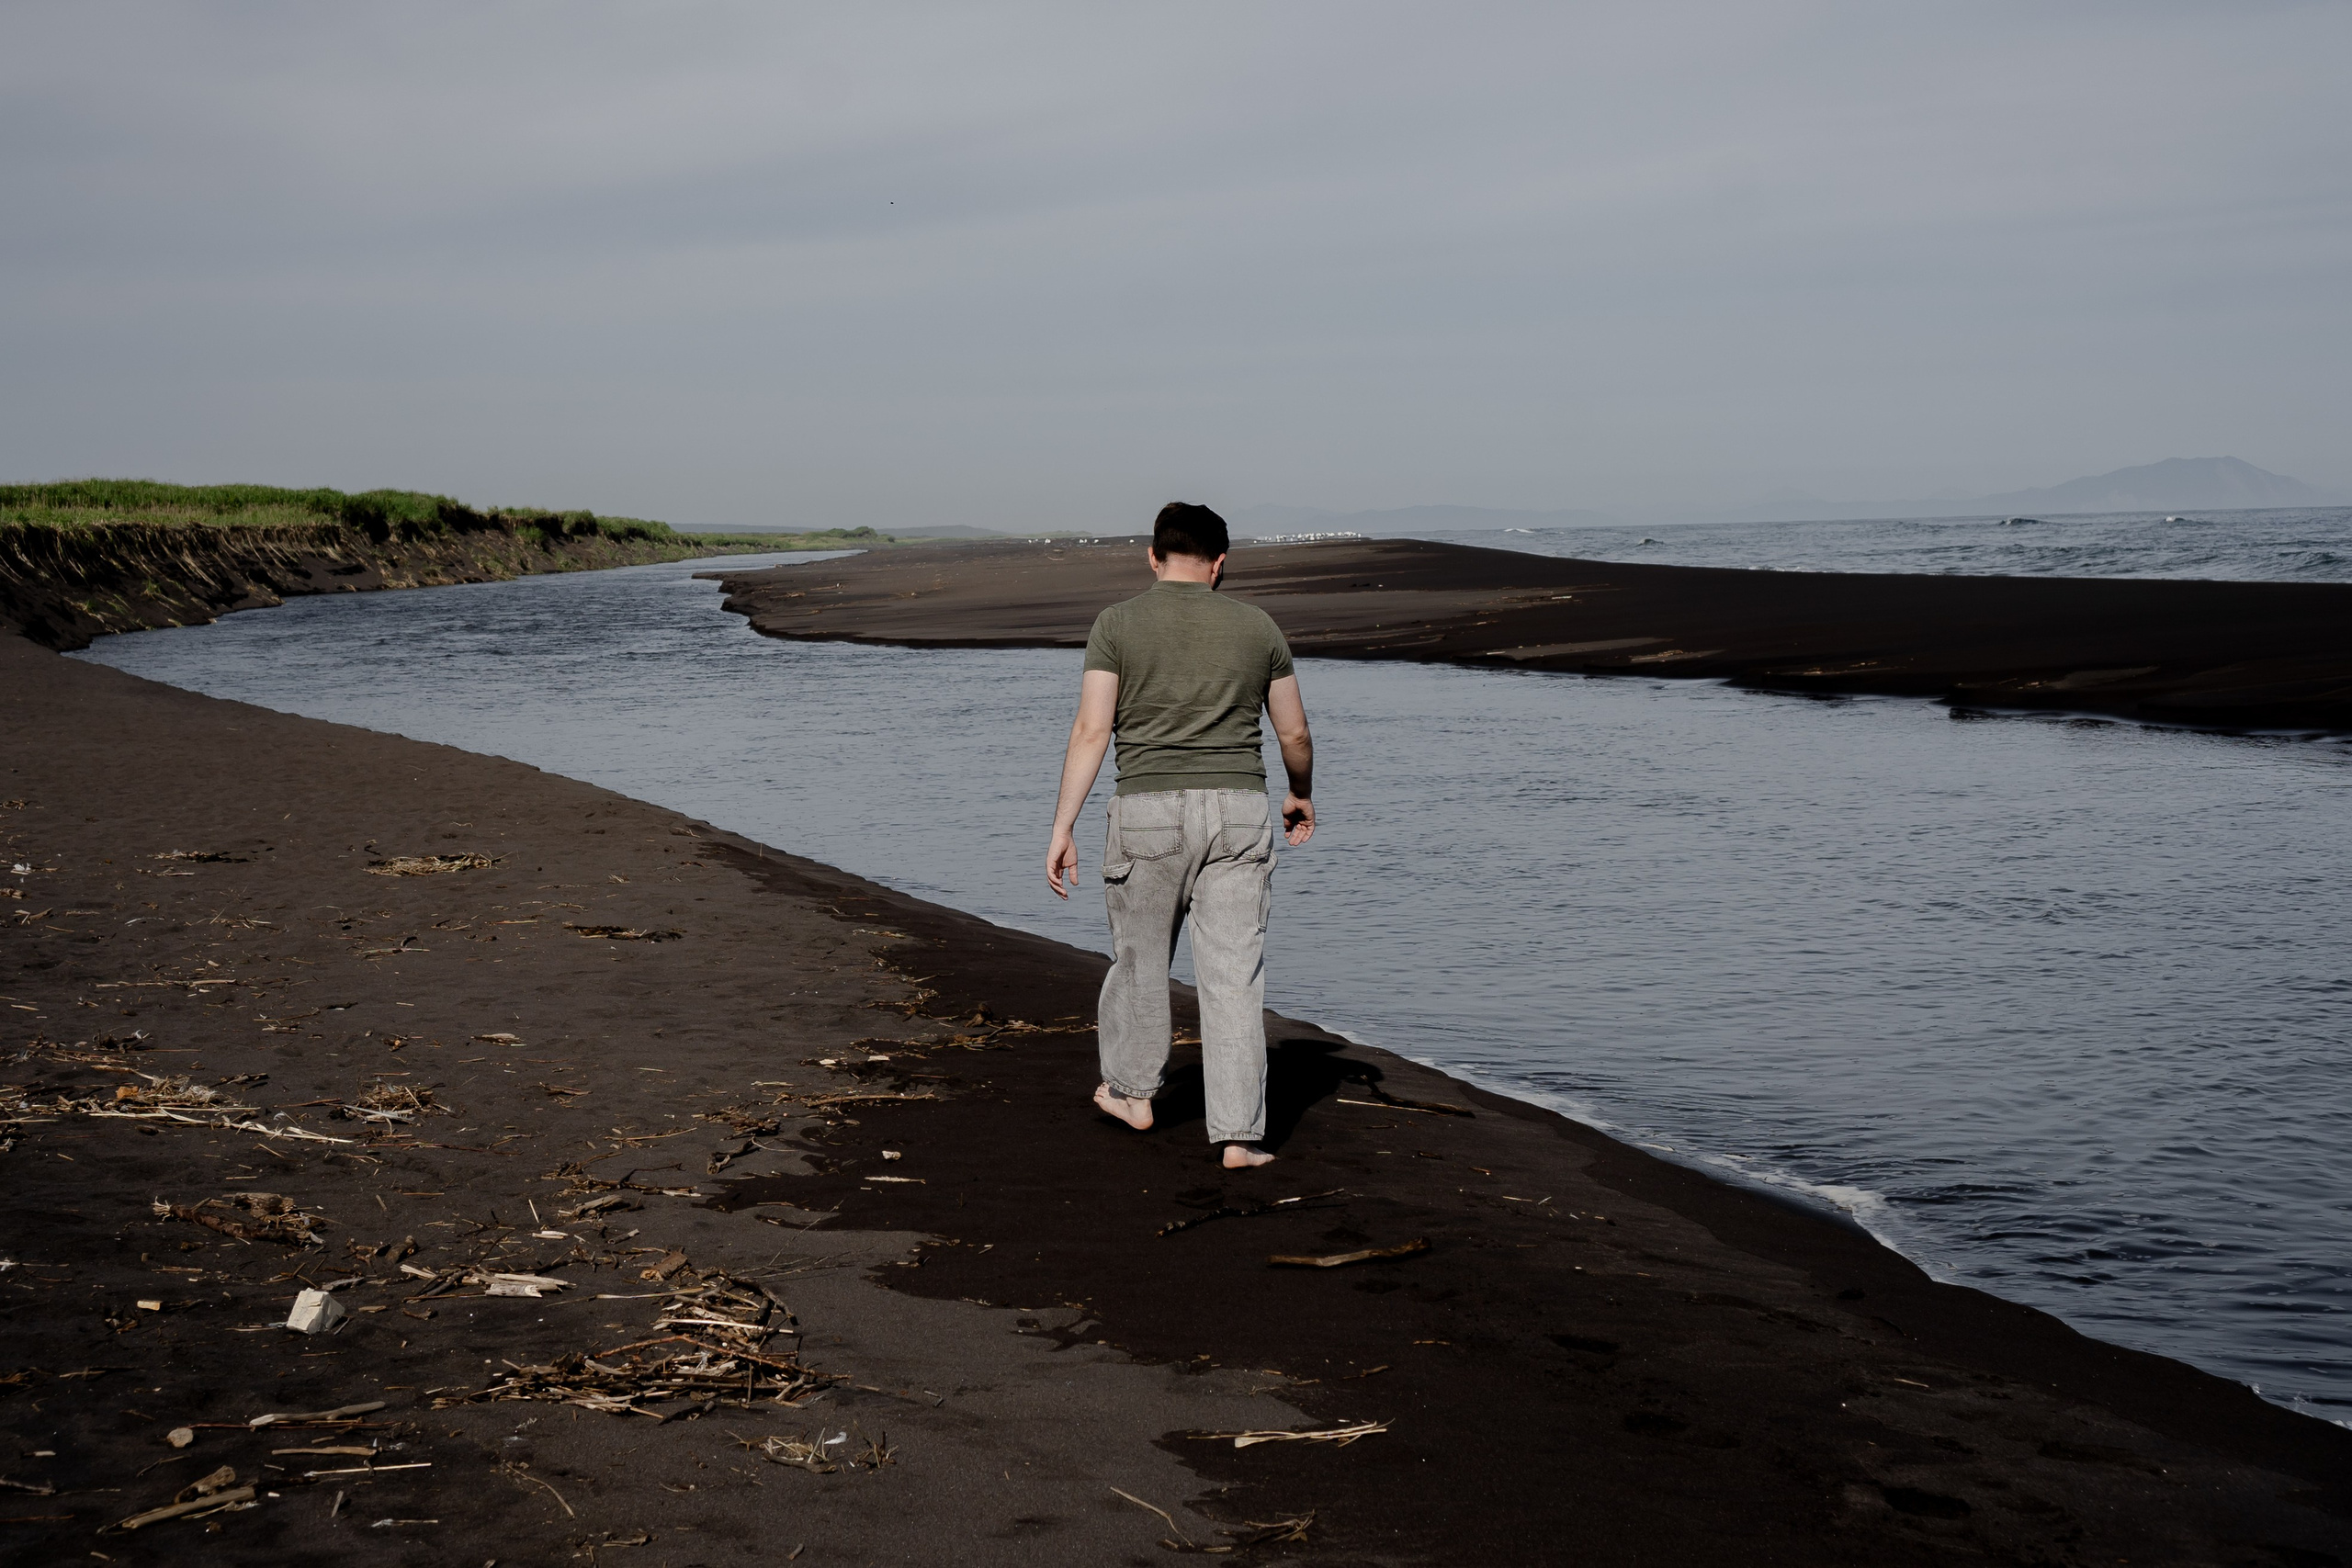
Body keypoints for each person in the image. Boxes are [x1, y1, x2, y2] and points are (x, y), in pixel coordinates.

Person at [1046, 502, 1316, 1170]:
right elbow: (1294, 732)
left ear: (1153, 557)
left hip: (1147, 812)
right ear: (1221, 563)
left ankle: (1134, 1093)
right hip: (1239, 810)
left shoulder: (1117, 624)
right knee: (1233, 977)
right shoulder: (1259, 627)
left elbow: (1091, 729)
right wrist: (1301, 791)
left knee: (1140, 961)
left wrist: (1062, 825)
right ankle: (1240, 1137)